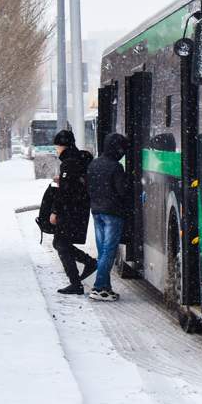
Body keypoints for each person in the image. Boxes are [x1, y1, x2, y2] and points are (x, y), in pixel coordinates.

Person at [50, 129, 97, 295]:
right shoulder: (78, 158)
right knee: (60, 243)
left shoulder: (69, 162)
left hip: (70, 210)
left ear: (63, 145)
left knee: (61, 244)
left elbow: (66, 192)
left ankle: (76, 282)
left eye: (57, 146)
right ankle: (88, 263)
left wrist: (55, 211)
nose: (57, 149)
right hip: (79, 208)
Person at [87, 132, 130, 301]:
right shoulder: (116, 167)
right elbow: (122, 191)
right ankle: (98, 287)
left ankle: (105, 288)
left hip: (96, 212)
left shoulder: (93, 164)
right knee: (109, 251)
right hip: (113, 213)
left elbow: (89, 188)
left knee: (102, 251)